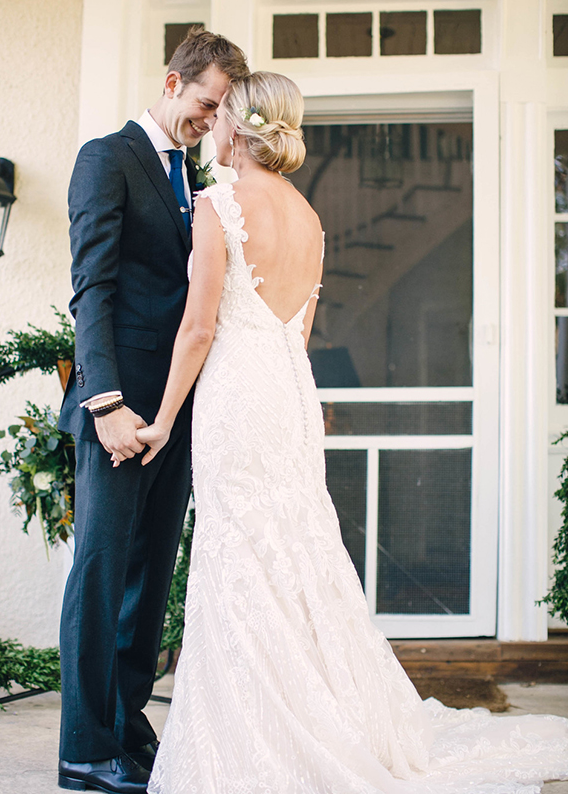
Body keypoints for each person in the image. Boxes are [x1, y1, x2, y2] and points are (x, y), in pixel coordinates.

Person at [133, 71, 568, 794]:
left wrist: (165, 418)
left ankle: (262, 732)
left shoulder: (218, 205)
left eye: (219, 118)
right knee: (298, 549)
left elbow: (200, 326)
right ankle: (328, 712)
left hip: (239, 394)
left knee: (239, 550)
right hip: (289, 393)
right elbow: (298, 334)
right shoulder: (310, 217)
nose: (209, 127)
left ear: (237, 127)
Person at [56, 28, 249, 794]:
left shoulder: (192, 177)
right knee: (101, 576)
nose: (212, 118)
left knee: (148, 577)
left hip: (176, 410)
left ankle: (126, 727)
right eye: (206, 103)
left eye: (221, 108)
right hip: (120, 410)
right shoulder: (107, 159)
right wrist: (103, 403)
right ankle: (82, 749)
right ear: (173, 84)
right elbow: (92, 287)